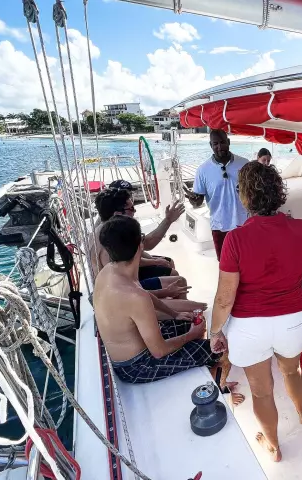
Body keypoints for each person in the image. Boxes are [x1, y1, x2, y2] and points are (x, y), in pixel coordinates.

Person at [209, 162, 302, 462]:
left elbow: (224, 299)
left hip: (248, 328)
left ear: (244, 196)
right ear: (278, 192)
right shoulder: (300, 228)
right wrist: (284, 275)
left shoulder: (235, 239)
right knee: (291, 370)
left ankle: (273, 445)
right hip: (292, 322)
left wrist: (215, 332)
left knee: (261, 392)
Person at [94, 216, 230, 386]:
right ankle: (221, 383)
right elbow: (159, 351)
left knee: (186, 321)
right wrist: (191, 335)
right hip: (138, 365)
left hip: (133, 351)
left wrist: (175, 314)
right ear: (140, 245)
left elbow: (143, 293)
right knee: (219, 348)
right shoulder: (135, 297)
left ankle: (199, 356)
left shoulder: (107, 272)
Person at [91, 188, 207, 314]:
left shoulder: (107, 230)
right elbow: (131, 292)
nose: (135, 212)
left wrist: (154, 262)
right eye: (131, 209)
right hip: (123, 300)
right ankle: (181, 318)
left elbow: (140, 251)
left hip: (126, 288)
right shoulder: (112, 239)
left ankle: (177, 308)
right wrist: (165, 295)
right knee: (186, 292)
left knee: (171, 269)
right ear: (117, 214)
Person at [184, 130, 248, 260]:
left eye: (223, 142)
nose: (220, 147)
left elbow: (254, 192)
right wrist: (193, 200)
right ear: (211, 145)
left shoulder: (245, 164)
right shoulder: (203, 170)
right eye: (215, 144)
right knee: (225, 264)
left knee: (246, 261)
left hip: (244, 224)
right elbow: (198, 201)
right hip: (219, 226)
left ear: (228, 142)